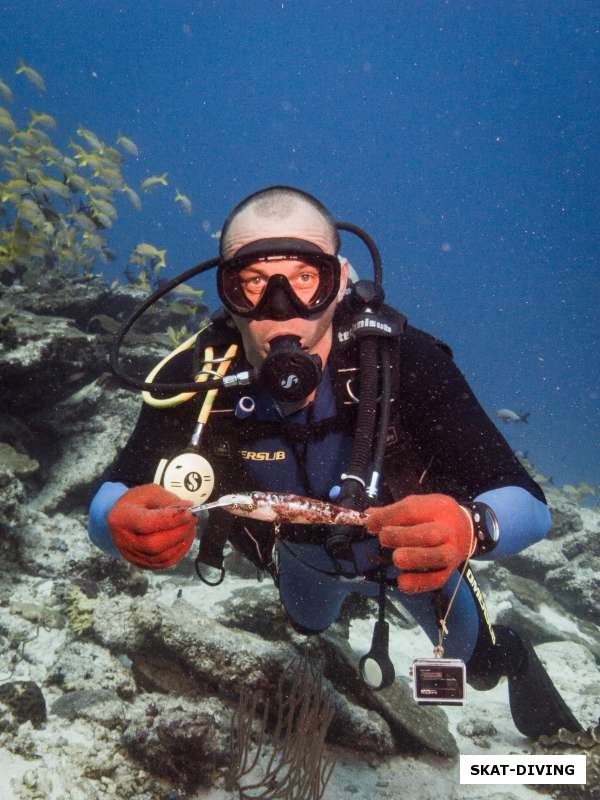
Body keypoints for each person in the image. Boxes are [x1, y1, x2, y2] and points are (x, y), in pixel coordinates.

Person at [89, 185, 582, 738]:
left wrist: (471, 528)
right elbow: (114, 495)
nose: (281, 311)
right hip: (299, 562)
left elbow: (529, 505)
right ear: (226, 292)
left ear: (340, 279)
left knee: (481, 668)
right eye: (252, 282)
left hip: (413, 565)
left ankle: (510, 657)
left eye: (305, 279)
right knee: (308, 626)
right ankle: (331, 623)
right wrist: (119, 524)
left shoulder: (406, 362)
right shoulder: (198, 377)